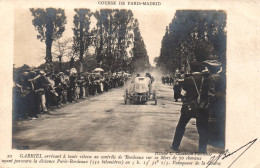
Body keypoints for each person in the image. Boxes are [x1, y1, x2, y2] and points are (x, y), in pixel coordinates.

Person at [171, 61, 209, 153]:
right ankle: (202, 150)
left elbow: (183, 93)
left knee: (181, 126)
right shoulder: (206, 79)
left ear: (191, 69)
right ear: (200, 69)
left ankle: (175, 146)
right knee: (202, 129)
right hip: (202, 107)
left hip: (189, 106)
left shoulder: (188, 79)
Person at [203, 60, 225, 147]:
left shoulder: (211, 78)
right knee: (220, 119)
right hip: (222, 100)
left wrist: (208, 103)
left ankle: (213, 139)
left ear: (210, 69)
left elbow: (211, 92)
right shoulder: (222, 77)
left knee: (212, 120)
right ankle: (219, 138)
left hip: (215, 101)